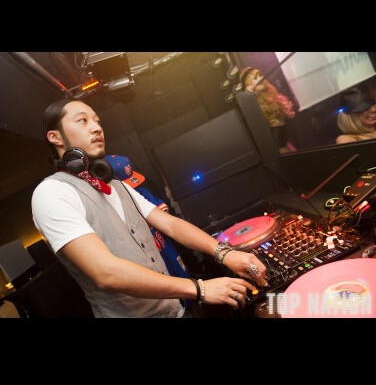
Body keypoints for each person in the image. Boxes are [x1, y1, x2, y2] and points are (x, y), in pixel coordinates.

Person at [31, 98, 268, 318]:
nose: (96, 128)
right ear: (55, 137)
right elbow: (105, 272)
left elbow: (170, 225)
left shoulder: (116, 184)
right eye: (83, 120)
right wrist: (200, 289)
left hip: (176, 310)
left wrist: (225, 253)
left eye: (97, 121)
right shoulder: (51, 193)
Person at [104, 154, 193, 308]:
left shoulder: (141, 191)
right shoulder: (108, 205)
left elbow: (165, 214)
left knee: (184, 281)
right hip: (148, 258)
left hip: (164, 245)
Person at [239, 66, 296, 153]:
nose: (260, 78)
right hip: (277, 151)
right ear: (248, 84)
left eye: (260, 75)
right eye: (255, 78)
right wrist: (249, 98)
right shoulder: (253, 104)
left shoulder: (270, 95)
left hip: (285, 144)